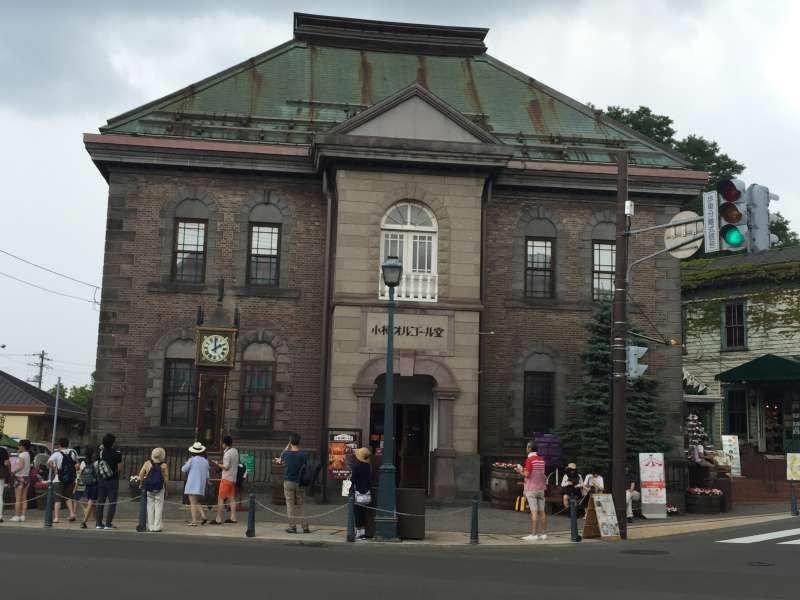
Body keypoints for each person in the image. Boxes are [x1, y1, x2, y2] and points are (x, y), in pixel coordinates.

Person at [280, 433, 309, 534]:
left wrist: (287, 446)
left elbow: (281, 459)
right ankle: (305, 526)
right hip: (300, 482)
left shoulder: (286, 454)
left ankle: (292, 527)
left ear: (290, 442)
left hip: (289, 481)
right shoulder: (303, 454)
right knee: (301, 504)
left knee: (290, 505)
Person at [519, 440, 547, 541]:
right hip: (541, 489)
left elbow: (527, 474)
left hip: (531, 489)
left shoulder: (529, 459)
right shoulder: (541, 460)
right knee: (542, 512)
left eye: (527, 447)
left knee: (534, 512)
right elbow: (541, 474)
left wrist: (520, 471)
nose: (526, 449)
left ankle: (534, 534)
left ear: (530, 449)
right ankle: (543, 534)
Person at [95, 433, 124, 530]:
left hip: (102, 479)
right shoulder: (116, 453)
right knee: (112, 502)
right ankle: (108, 523)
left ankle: (98, 523)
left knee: (100, 501)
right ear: (113, 443)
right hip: (113, 480)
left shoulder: (100, 452)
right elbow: (120, 468)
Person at [47, 438, 78, 523]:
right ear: (68, 444)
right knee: (68, 497)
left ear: (59, 445)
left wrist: (54, 468)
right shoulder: (72, 453)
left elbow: (48, 462)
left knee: (57, 499)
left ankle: (56, 518)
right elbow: (77, 465)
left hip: (58, 478)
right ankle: (72, 514)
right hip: (70, 478)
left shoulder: (56, 454)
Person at [139, 447, 169, 532]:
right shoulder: (164, 465)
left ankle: (150, 526)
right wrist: (167, 489)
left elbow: (141, 474)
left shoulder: (147, 463)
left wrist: (141, 483)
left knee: (150, 507)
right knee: (159, 507)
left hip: (149, 488)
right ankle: (157, 526)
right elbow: (166, 479)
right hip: (160, 488)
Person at [211, 435, 239, 525]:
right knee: (232, 498)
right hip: (233, 478)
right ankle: (233, 517)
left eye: (222, 443)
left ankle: (218, 518)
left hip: (226, 478)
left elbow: (226, 467)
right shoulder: (235, 451)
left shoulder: (227, 454)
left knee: (221, 498)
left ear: (224, 444)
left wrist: (217, 464)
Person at [182, 442, 209, 526]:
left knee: (192, 503)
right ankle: (203, 516)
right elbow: (207, 474)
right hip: (201, 484)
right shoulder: (205, 461)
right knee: (196, 501)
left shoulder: (192, 460)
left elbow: (183, 469)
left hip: (192, 484)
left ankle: (194, 521)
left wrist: (187, 462)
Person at [351, 447, 372, 540]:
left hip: (358, 492)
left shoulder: (357, 466)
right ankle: (363, 532)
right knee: (363, 512)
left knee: (357, 512)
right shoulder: (368, 466)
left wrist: (350, 489)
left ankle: (358, 533)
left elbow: (353, 479)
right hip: (366, 492)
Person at [11, 439, 32, 522]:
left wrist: (13, 472)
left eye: (19, 445)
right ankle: (23, 516)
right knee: (24, 498)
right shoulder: (28, 454)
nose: (18, 447)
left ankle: (17, 516)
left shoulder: (22, 455)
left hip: (19, 477)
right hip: (26, 477)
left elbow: (20, 466)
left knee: (18, 498)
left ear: (23, 447)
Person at [78, 447, 98, 529]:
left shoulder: (83, 462)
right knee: (91, 501)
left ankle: (96, 520)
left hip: (86, 484)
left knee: (91, 502)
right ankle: (84, 520)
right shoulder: (95, 463)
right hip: (94, 483)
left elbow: (80, 471)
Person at [0, 443, 10, 523]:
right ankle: (0, 516)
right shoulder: (3, 450)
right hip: (1, 475)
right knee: (0, 496)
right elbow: (7, 463)